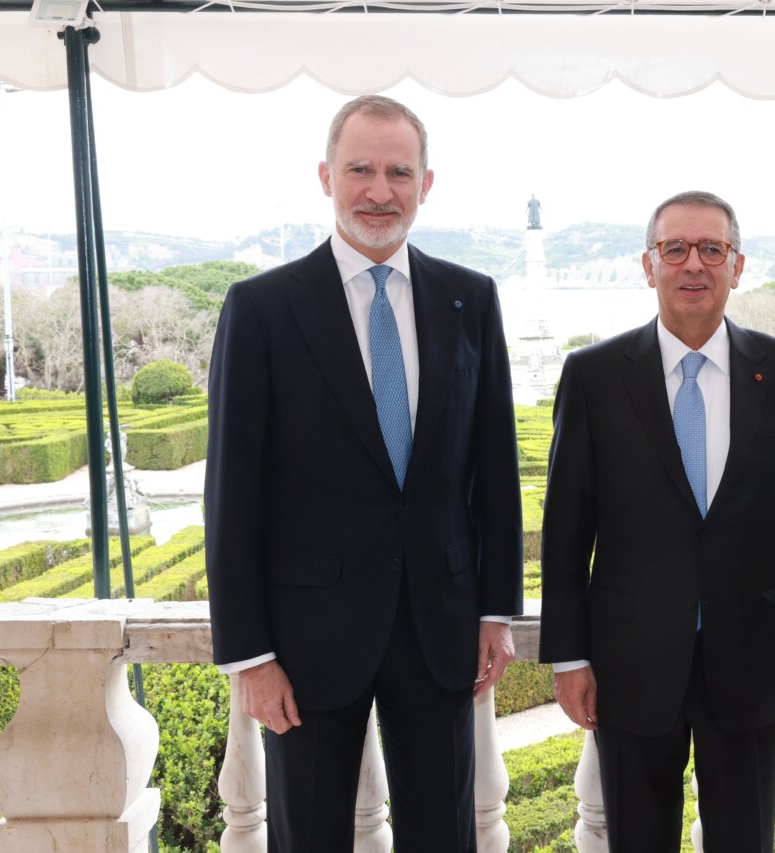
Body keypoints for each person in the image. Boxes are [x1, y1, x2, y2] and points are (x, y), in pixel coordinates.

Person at [204, 95, 523, 852]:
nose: (379, 190)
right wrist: (249, 655)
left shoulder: (470, 299)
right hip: (306, 643)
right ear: (325, 176)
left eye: (397, 172)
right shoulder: (261, 308)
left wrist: (495, 608)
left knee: (444, 836)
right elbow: (232, 493)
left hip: (439, 630)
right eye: (360, 169)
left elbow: (494, 469)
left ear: (425, 183)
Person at [539, 190, 775, 852]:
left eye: (712, 248)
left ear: (738, 263)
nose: (693, 264)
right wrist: (570, 654)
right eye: (675, 248)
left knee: (745, 840)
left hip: (754, 658)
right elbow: (565, 529)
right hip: (629, 661)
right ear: (649, 265)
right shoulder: (592, 376)